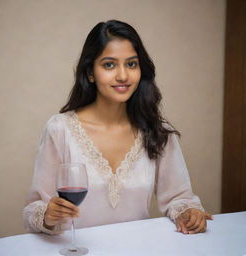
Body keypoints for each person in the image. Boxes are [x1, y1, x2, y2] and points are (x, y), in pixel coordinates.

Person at [23, 20, 213, 236]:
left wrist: (189, 212)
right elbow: (34, 210)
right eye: (109, 65)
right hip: (77, 250)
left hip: (138, 249)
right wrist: (48, 215)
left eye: (131, 64)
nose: (123, 76)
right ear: (90, 73)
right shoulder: (60, 129)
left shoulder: (157, 130)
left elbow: (180, 198)